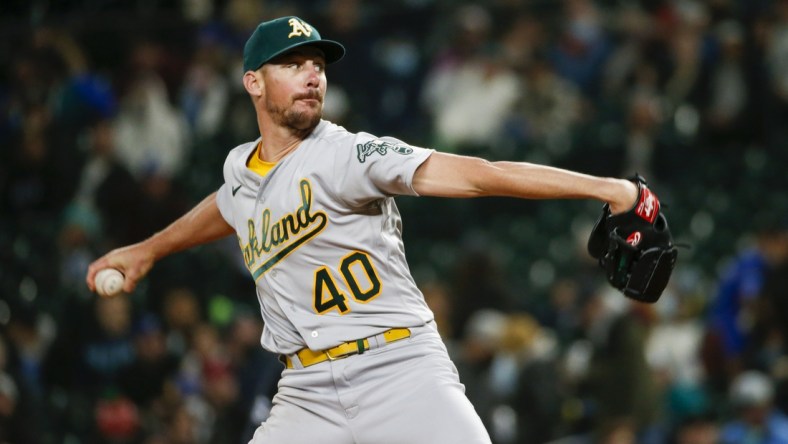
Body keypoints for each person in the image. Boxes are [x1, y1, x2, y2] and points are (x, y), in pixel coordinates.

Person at [86, 16, 639, 444]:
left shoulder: (349, 154)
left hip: (399, 370)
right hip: (305, 394)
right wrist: (148, 250)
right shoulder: (240, 170)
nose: (312, 74)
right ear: (253, 82)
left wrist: (610, 189)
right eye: (293, 63)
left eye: (317, 65)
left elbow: (481, 175)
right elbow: (227, 205)